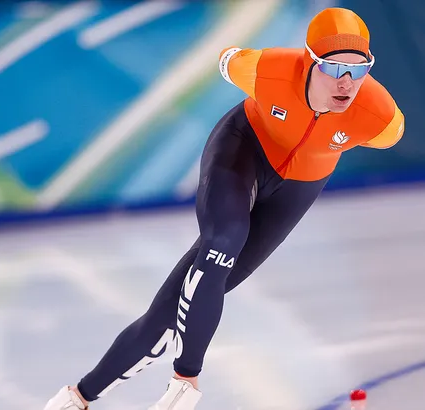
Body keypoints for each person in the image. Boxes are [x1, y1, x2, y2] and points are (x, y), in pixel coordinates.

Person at [43, 7, 404, 410]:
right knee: (224, 240)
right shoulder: (269, 70)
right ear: (307, 61)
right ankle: (186, 379)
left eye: (358, 69)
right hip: (242, 150)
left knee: (170, 311)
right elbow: (227, 59)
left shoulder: (379, 117)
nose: (346, 82)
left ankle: (76, 399)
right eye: (333, 67)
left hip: (298, 187)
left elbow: (389, 130)